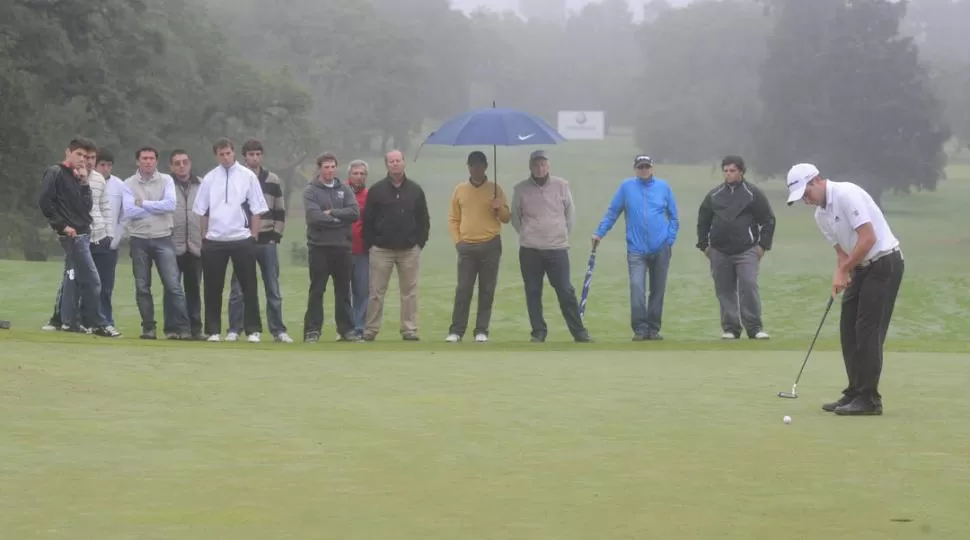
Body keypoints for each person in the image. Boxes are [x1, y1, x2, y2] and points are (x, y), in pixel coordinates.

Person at [786, 163, 904, 416]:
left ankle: (869, 399)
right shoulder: (821, 215)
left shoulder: (846, 193)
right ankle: (854, 391)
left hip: (884, 262)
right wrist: (841, 272)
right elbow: (842, 253)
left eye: (806, 193)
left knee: (867, 330)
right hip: (860, 266)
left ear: (816, 180)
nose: (806, 200)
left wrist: (844, 270)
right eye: (801, 198)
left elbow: (868, 238)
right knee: (848, 329)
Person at [37, 137, 120, 337]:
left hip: (84, 233)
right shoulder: (55, 172)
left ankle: (70, 322)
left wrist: (83, 182)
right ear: (68, 153)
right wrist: (62, 226)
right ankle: (98, 323)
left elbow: (87, 207)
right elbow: (45, 203)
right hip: (73, 235)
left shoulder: (78, 176)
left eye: (86, 156)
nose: (83, 159)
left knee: (72, 278)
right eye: (79, 154)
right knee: (92, 280)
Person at [592, 155, 678, 340]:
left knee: (658, 289)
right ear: (635, 169)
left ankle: (653, 329)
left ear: (652, 168)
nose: (644, 170)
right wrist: (600, 233)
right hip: (636, 248)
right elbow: (612, 213)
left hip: (660, 246)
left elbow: (674, 217)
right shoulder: (626, 187)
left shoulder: (663, 187)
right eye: (640, 167)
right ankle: (640, 328)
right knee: (637, 287)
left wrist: (669, 239)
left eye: (647, 166)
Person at [192, 138, 269, 342]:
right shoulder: (209, 178)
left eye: (228, 153)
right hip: (215, 240)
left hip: (241, 238)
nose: (225, 157)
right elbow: (202, 211)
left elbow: (256, 208)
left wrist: (254, 236)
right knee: (212, 287)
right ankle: (214, 330)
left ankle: (253, 330)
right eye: (221, 154)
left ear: (233, 153)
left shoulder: (247, 176)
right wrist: (204, 236)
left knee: (248, 286)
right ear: (216, 155)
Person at [511, 150, 591, 343]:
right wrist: (528, 233)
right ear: (530, 166)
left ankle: (578, 332)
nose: (540, 168)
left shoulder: (561, 186)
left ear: (548, 166)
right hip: (530, 248)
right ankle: (538, 331)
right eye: (536, 164)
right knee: (533, 290)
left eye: (543, 164)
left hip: (557, 248)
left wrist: (560, 232)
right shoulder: (520, 189)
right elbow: (515, 217)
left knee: (565, 289)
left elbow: (570, 215)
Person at [696, 155, 775, 340]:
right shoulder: (714, 195)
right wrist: (704, 246)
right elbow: (703, 221)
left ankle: (755, 328)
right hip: (719, 250)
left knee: (748, 285)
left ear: (741, 171)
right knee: (724, 290)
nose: (728, 174)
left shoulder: (753, 193)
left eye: (732, 170)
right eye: (725, 171)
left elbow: (768, 220)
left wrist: (763, 246)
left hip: (746, 249)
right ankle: (731, 328)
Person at [226, 139, 292, 343]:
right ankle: (235, 329)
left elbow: (280, 210)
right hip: (243, 239)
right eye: (251, 154)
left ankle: (278, 330)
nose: (254, 158)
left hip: (267, 241)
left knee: (272, 287)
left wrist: (275, 236)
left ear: (261, 156)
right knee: (238, 288)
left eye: (258, 154)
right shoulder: (237, 178)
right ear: (244, 156)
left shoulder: (272, 179)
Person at [122, 146, 192, 339]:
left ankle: (183, 328)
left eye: (151, 158)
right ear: (138, 161)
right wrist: (155, 207)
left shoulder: (166, 180)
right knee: (142, 286)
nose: (148, 162)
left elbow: (170, 205)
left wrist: (142, 204)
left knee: (173, 286)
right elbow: (129, 211)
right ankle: (148, 328)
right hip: (139, 239)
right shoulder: (128, 183)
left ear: (156, 161)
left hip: (163, 237)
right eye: (144, 158)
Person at [362, 149, 430, 341]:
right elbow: (368, 220)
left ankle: (409, 329)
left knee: (409, 293)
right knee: (376, 292)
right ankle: (370, 330)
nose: (395, 164)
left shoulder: (415, 190)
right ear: (387, 165)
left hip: (409, 249)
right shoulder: (377, 190)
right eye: (391, 161)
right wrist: (372, 243)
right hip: (382, 249)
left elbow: (423, 219)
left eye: (398, 160)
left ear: (404, 162)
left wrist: (419, 243)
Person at [445, 151, 510, 343]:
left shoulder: (495, 189)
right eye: (473, 165)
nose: (476, 169)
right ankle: (456, 331)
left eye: (480, 165)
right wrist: (458, 241)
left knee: (487, 288)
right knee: (463, 289)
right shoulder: (460, 189)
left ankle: (482, 330)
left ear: (486, 167)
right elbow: (453, 218)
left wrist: (499, 208)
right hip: (467, 246)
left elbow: (507, 218)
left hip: (490, 244)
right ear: (468, 167)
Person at [302, 152, 360, 342]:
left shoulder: (344, 188)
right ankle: (312, 330)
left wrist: (333, 213)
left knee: (343, 290)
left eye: (332, 166)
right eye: (326, 167)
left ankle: (346, 330)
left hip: (342, 247)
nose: (329, 170)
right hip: (319, 247)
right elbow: (314, 217)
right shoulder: (311, 190)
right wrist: (338, 220)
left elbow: (353, 212)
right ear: (319, 168)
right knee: (317, 290)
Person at [163, 149, 205, 340]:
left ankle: (195, 329)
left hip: (195, 244)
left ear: (190, 163)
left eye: (185, 162)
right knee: (172, 288)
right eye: (177, 163)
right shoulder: (166, 184)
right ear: (171, 166)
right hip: (172, 244)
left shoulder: (201, 184)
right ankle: (173, 328)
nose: (181, 166)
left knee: (194, 289)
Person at [347, 160, 370, 337]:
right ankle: (346, 327)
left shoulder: (369, 196)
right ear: (349, 175)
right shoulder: (340, 193)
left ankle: (359, 327)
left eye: (362, 174)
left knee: (362, 291)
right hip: (342, 249)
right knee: (344, 291)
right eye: (356, 173)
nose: (359, 177)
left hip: (362, 250)